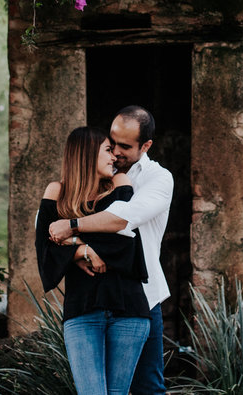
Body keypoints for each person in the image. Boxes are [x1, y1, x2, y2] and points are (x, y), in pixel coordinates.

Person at [49, 106, 172, 395]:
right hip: (91, 299)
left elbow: (123, 219)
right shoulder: (94, 175)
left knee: (148, 389)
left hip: (142, 298)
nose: (115, 152)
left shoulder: (159, 179)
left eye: (125, 146)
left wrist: (72, 226)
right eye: (112, 142)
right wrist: (78, 250)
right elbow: (48, 228)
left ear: (146, 146)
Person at [35, 126, 150, 395]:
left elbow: (123, 239)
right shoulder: (56, 192)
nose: (114, 158)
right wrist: (83, 250)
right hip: (82, 311)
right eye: (108, 150)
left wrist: (70, 233)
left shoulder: (120, 184)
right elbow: (44, 246)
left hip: (128, 310)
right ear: (86, 155)